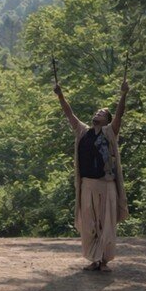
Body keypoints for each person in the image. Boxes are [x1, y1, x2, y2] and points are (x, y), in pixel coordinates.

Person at [55, 79, 130, 271]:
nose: (98, 114)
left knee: (106, 224)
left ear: (107, 120)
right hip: (87, 184)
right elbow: (69, 114)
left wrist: (123, 94)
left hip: (106, 185)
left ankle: (103, 261)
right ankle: (94, 259)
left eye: (102, 113)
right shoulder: (83, 132)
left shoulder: (109, 132)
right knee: (89, 225)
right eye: (97, 112)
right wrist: (60, 95)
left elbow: (119, 115)